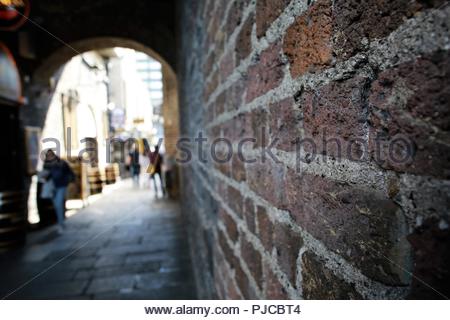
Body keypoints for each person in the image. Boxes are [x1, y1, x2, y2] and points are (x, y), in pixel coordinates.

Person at [43, 150, 75, 233]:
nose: (50, 157)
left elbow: (69, 172)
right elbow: (45, 177)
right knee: (57, 205)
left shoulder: (61, 163)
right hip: (52, 188)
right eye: (48, 156)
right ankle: (61, 221)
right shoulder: (47, 165)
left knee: (58, 204)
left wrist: (69, 181)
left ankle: (61, 223)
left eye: (51, 155)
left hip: (61, 186)